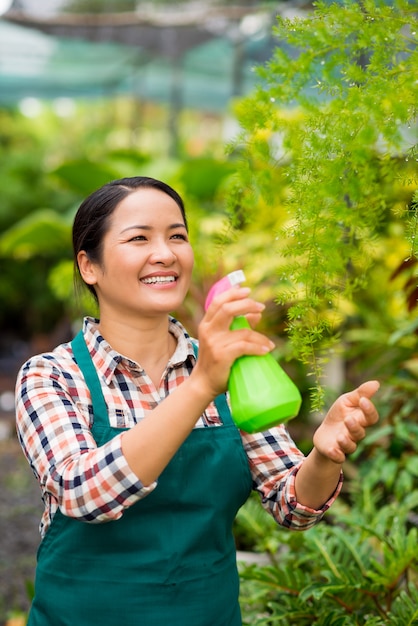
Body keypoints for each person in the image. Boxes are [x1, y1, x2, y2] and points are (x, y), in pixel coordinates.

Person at [15, 176, 380, 626]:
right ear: (89, 266)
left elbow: (291, 506)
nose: (166, 253)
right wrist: (201, 386)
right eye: (139, 238)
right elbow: (84, 494)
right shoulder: (52, 376)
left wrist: (324, 456)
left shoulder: (227, 366)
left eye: (177, 236)